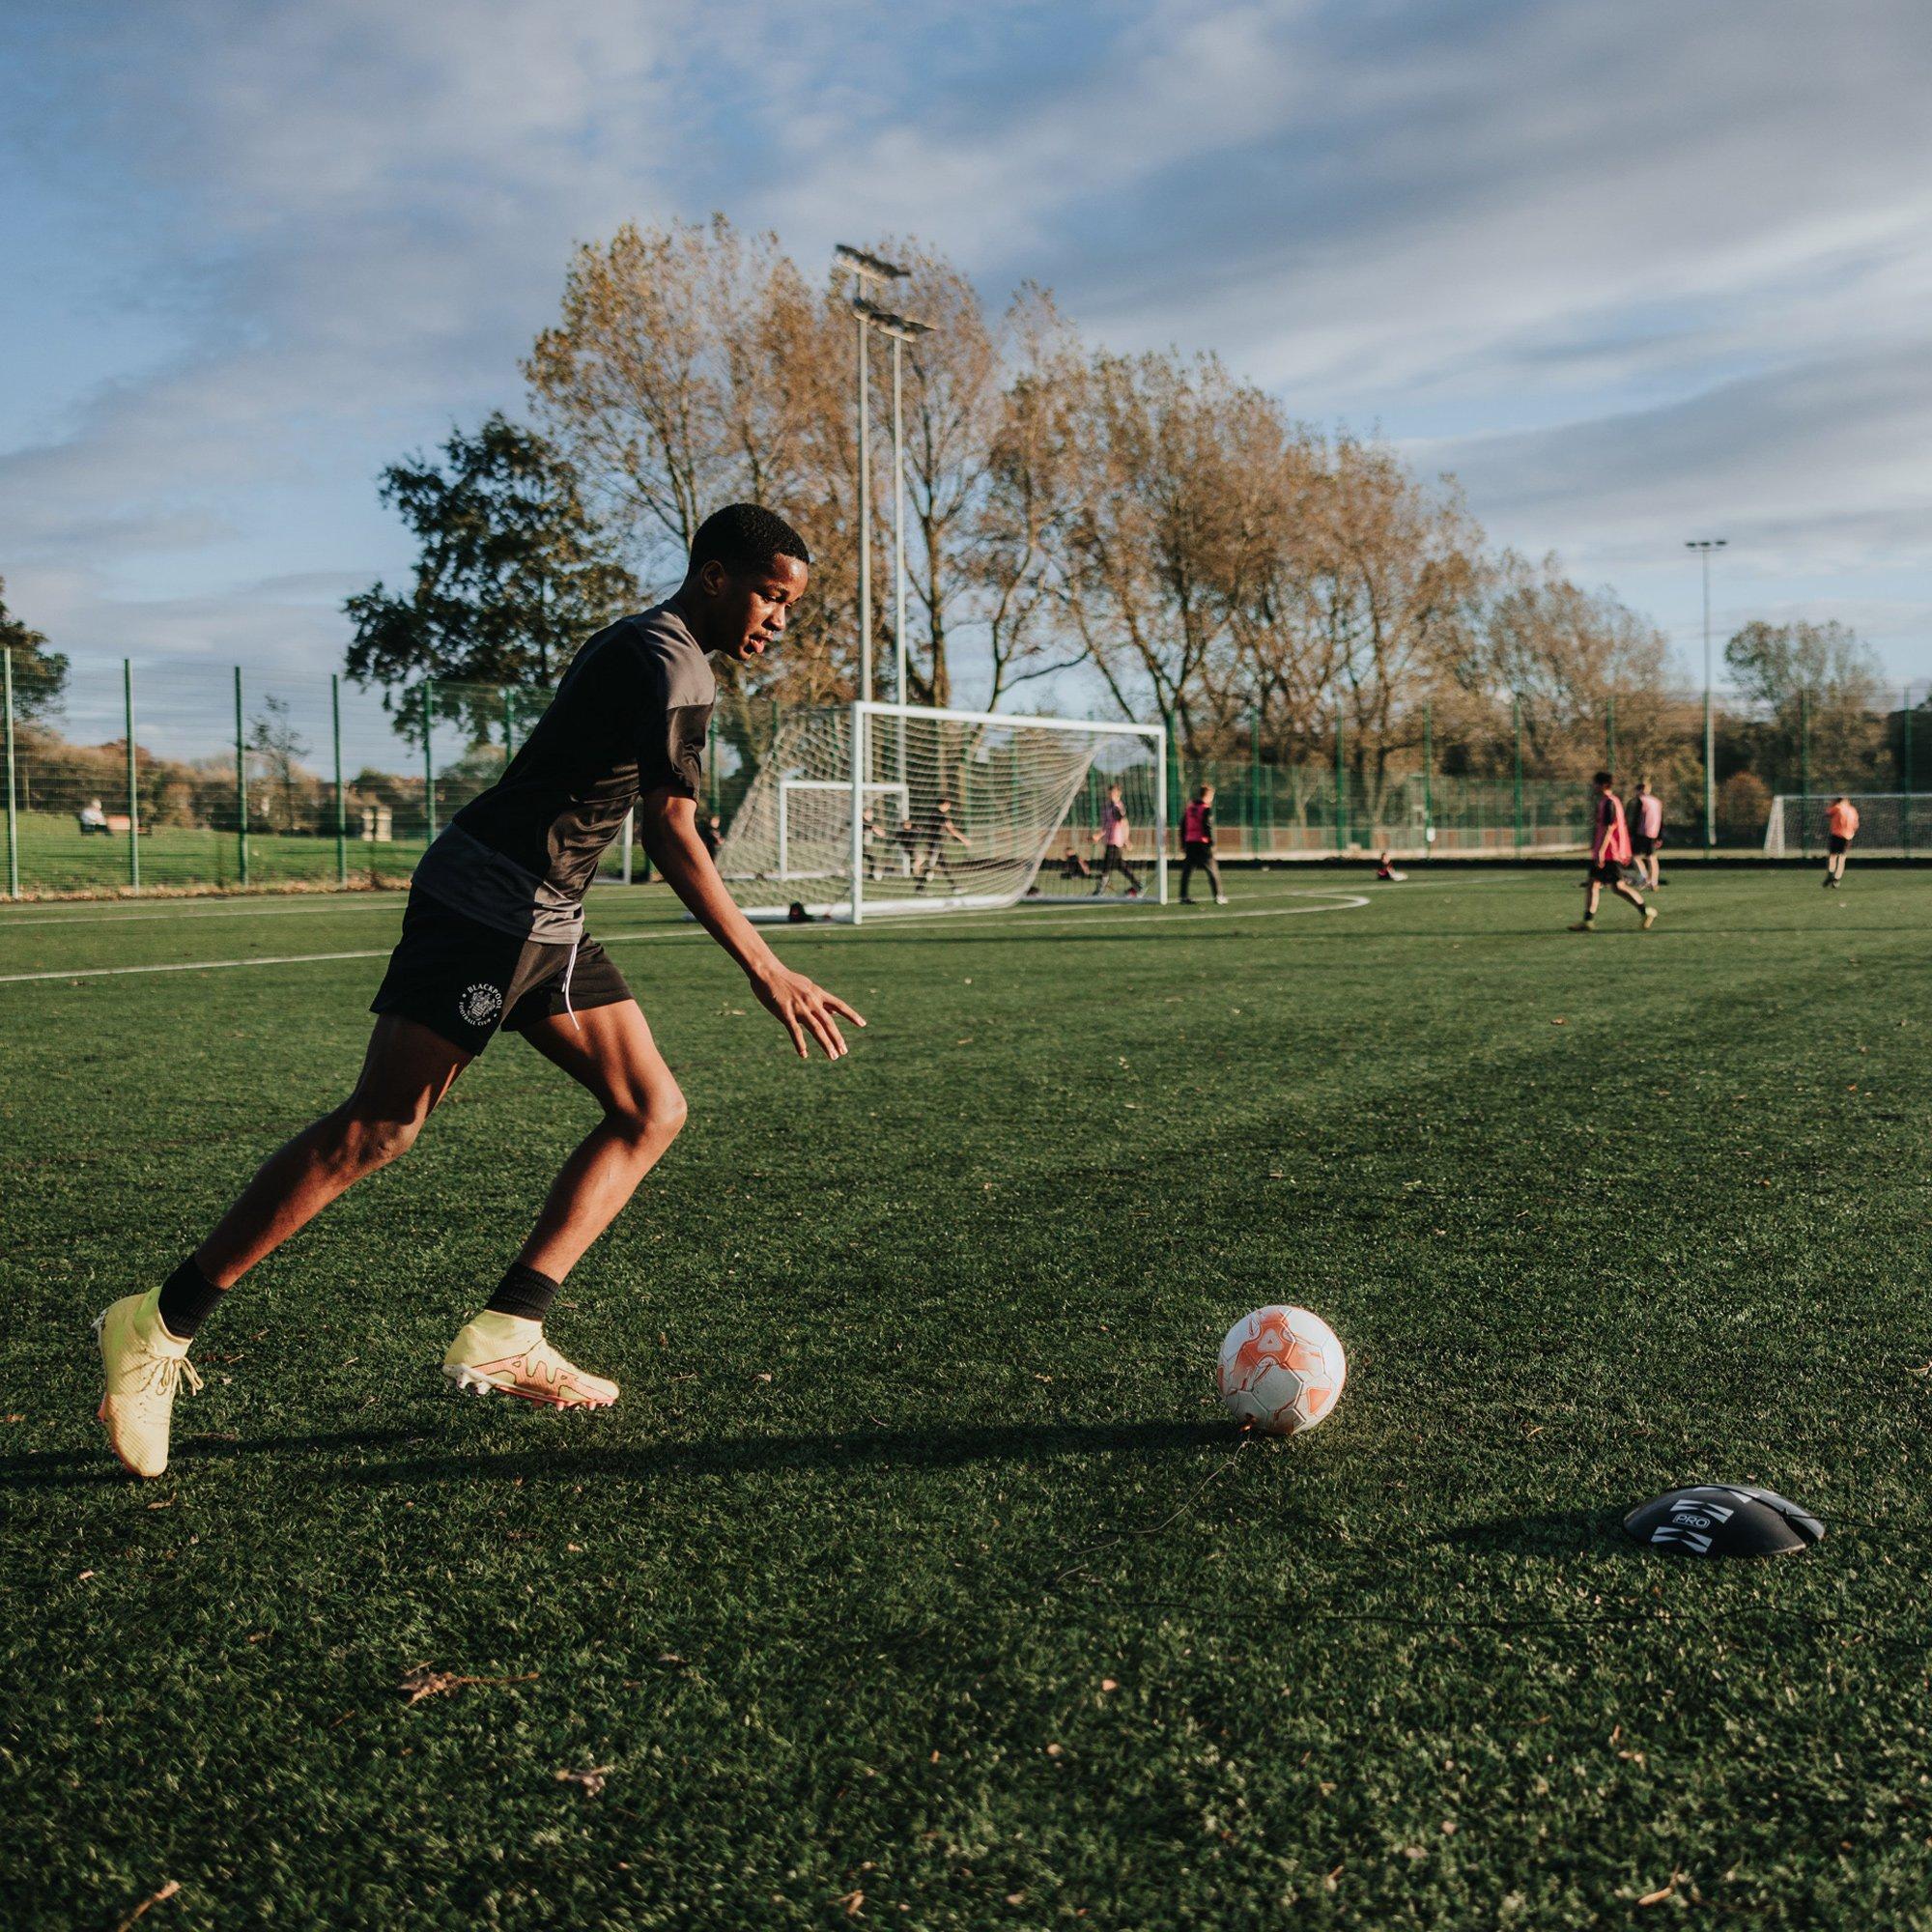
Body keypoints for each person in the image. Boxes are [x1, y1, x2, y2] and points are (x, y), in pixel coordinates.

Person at [95, 504, 866, 1480]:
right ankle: (158, 1324)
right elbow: (669, 830)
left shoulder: (646, 644)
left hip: (547, 915)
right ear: (715, 576)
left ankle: (510, 1330)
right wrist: (767, 965)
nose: (779, 620)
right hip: (490, 907)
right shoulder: (675, 663)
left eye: (790, 605)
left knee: (650, 1108)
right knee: (379, 1129)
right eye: (769, 596)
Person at [1570, 771, 1655, 933]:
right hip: (1608, 852)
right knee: (1596, 884)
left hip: (1609, 853)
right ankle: (1588, 920)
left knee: (1615, 886)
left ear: (1603, 785)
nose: (1593, 786)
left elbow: (1609, 828)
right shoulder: (1607, 801)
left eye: (1595, 783)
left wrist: (1601, 852)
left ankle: (1645, 911)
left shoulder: (1609, 802)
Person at [1089, 784, 1142, 897]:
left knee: (1106, 865)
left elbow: (1124, 823)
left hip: (1116, 840)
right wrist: (1098, 835)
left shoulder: (1117, 807)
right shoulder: (1106, 807)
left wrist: (1126, 840)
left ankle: (1100, 889)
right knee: (1119, 865)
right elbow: (1106, 825)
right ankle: (1138, 885)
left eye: (1113, 793)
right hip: (1109, 840)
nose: (1110, 795)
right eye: (1109, 793)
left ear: (1118, 794)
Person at [1179, 784, 1227, 904]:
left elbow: (1183, 826)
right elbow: (1207, 826)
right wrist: (1211, 842)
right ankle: (1218, 896)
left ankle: (1183, 896)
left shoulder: (1190, 808)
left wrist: (1183, 843)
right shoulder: (1205, 809)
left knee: (1187, 871)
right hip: (1202, 843)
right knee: (1212, 869)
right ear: (1208, 795)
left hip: (1190, 842)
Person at [912, 796, 970, 894]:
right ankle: (920, 888)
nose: (949, 806)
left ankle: (954, 887)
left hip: (934, 844)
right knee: (931, 867)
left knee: (943, 866)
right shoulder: (941, 815)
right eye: (948, 804)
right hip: (935, 845)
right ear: (945, 804)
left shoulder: (933, 813)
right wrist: (964, 839)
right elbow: (952, 830)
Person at [1631, 779, 1663, 891]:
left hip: (1641, 832)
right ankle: (1654, 882)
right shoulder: (1657, 802)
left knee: (1634, 856)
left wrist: (1631, 833)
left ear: (1639, 790)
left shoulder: (1640, 801)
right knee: (1652, 858)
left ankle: (1644, 878)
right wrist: (1660, 836)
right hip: (1654, 833)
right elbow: (1661, 820)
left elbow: (1636, 818)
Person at [1823, 795, 1860, 888]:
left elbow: (1827, 813)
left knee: (1833, 856)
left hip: (1837, 835)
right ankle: (1837, 879)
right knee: (1842, 858)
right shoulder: (1852, 810)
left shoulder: (1837, 807)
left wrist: (1831, 804)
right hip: (1848, 836)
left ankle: (1830, 874)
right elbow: (1856, 824)